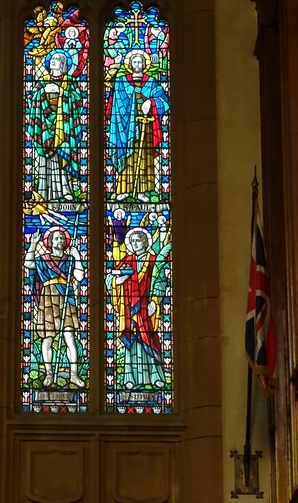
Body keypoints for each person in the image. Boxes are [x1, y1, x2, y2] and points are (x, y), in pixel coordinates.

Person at [106, 226, 168, 390]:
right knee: (131, 341)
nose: (135, 243)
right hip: (128, 307)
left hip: (146, 307)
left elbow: (160, 280)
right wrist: (116, 282)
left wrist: (155, 300)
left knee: (149, 338)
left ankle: (155, 376)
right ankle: (129, 378)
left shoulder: (154, 260)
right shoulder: (127, 260)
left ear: (146, 242)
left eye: (138, 240)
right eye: (132, 241)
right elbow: (110, 277)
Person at [25, 226, 85, 388]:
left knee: (69, 338)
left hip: (66, 296)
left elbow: (79, 276)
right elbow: (28, 264)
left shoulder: (70, 260)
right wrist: (33, 244)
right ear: (50, 242)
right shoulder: (43, 259)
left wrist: (77, 256)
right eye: (56, 238)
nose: (60, 240)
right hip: (49, 298)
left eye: (61, 238)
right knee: (48, 338)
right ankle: (49, 374)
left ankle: (74, 374)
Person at [106, 49, 169, 201]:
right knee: (126, 155)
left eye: (140, 61)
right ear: (130, 64)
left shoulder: (152, 81)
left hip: (145, 124)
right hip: (125, 126)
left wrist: (151, 102)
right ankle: (123, 190)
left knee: (144, 157)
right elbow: (116, 101)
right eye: (134, 61)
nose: (137, 64)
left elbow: (165, 101)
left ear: (144, 64)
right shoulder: (121, 81)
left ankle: (142, 190)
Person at [27, 50, 85, 203]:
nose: (53, 61)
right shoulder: (41, 82)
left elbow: (79, 103)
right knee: (44, 162)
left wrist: (61, 92)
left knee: (62, 158)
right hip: (45, 127)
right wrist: (42, 93)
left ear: (64, 64)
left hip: (64, 127)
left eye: (57, 59)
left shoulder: (70, 82)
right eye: (51, 59)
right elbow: (31, 101)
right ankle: (42, 192)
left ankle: (66, 191)